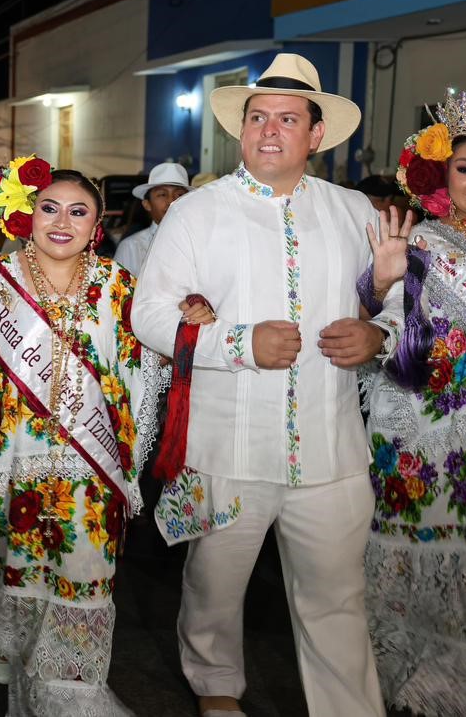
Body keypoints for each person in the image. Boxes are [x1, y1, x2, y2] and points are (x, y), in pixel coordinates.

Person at [132, 52, 400, 717]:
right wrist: (238, 343)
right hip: (229, 445)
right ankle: (215, 684)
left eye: (288, 118)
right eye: (258, 117)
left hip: (332, 448)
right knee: (215, 585)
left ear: (315, 134)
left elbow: (394, 302)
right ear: (240, 130)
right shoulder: (198, 212)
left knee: (337, 597)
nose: (270, 129)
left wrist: (380, 335)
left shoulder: (353, 210)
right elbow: (150, 314)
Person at [0, 160, 170, 714]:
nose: (62, 222)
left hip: (89, 469)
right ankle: (24, 676)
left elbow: (142, 370)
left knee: (82, 577)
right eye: (50, 208)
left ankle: (71, 696)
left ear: (97, 225)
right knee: (19, 576)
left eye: (79, 212)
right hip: (10, 466)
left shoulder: (117, 284)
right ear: (29, 212)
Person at [358, 90, 466, 716]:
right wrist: (379, 280)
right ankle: (407, 675)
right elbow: (377, 324)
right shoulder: (417, 241)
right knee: (420, 546)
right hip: (423, 427)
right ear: (442, 174)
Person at [114, 162, 190, 274]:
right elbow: (118, 289)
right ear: (147, 204)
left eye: (179, 195)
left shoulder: (199, 242)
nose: (171, 201)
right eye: (162, 194)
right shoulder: (131, 247)